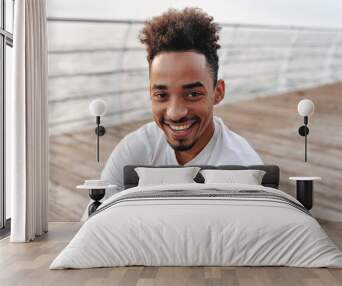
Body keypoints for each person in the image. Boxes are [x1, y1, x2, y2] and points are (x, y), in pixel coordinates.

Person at [81, 8, 264, 220]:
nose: (175, 113)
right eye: (161, 95)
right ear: (150, 93)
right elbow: (93, 222)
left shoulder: (242, 165)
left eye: (193, 94)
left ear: (218, 92)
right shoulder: (135, 148)